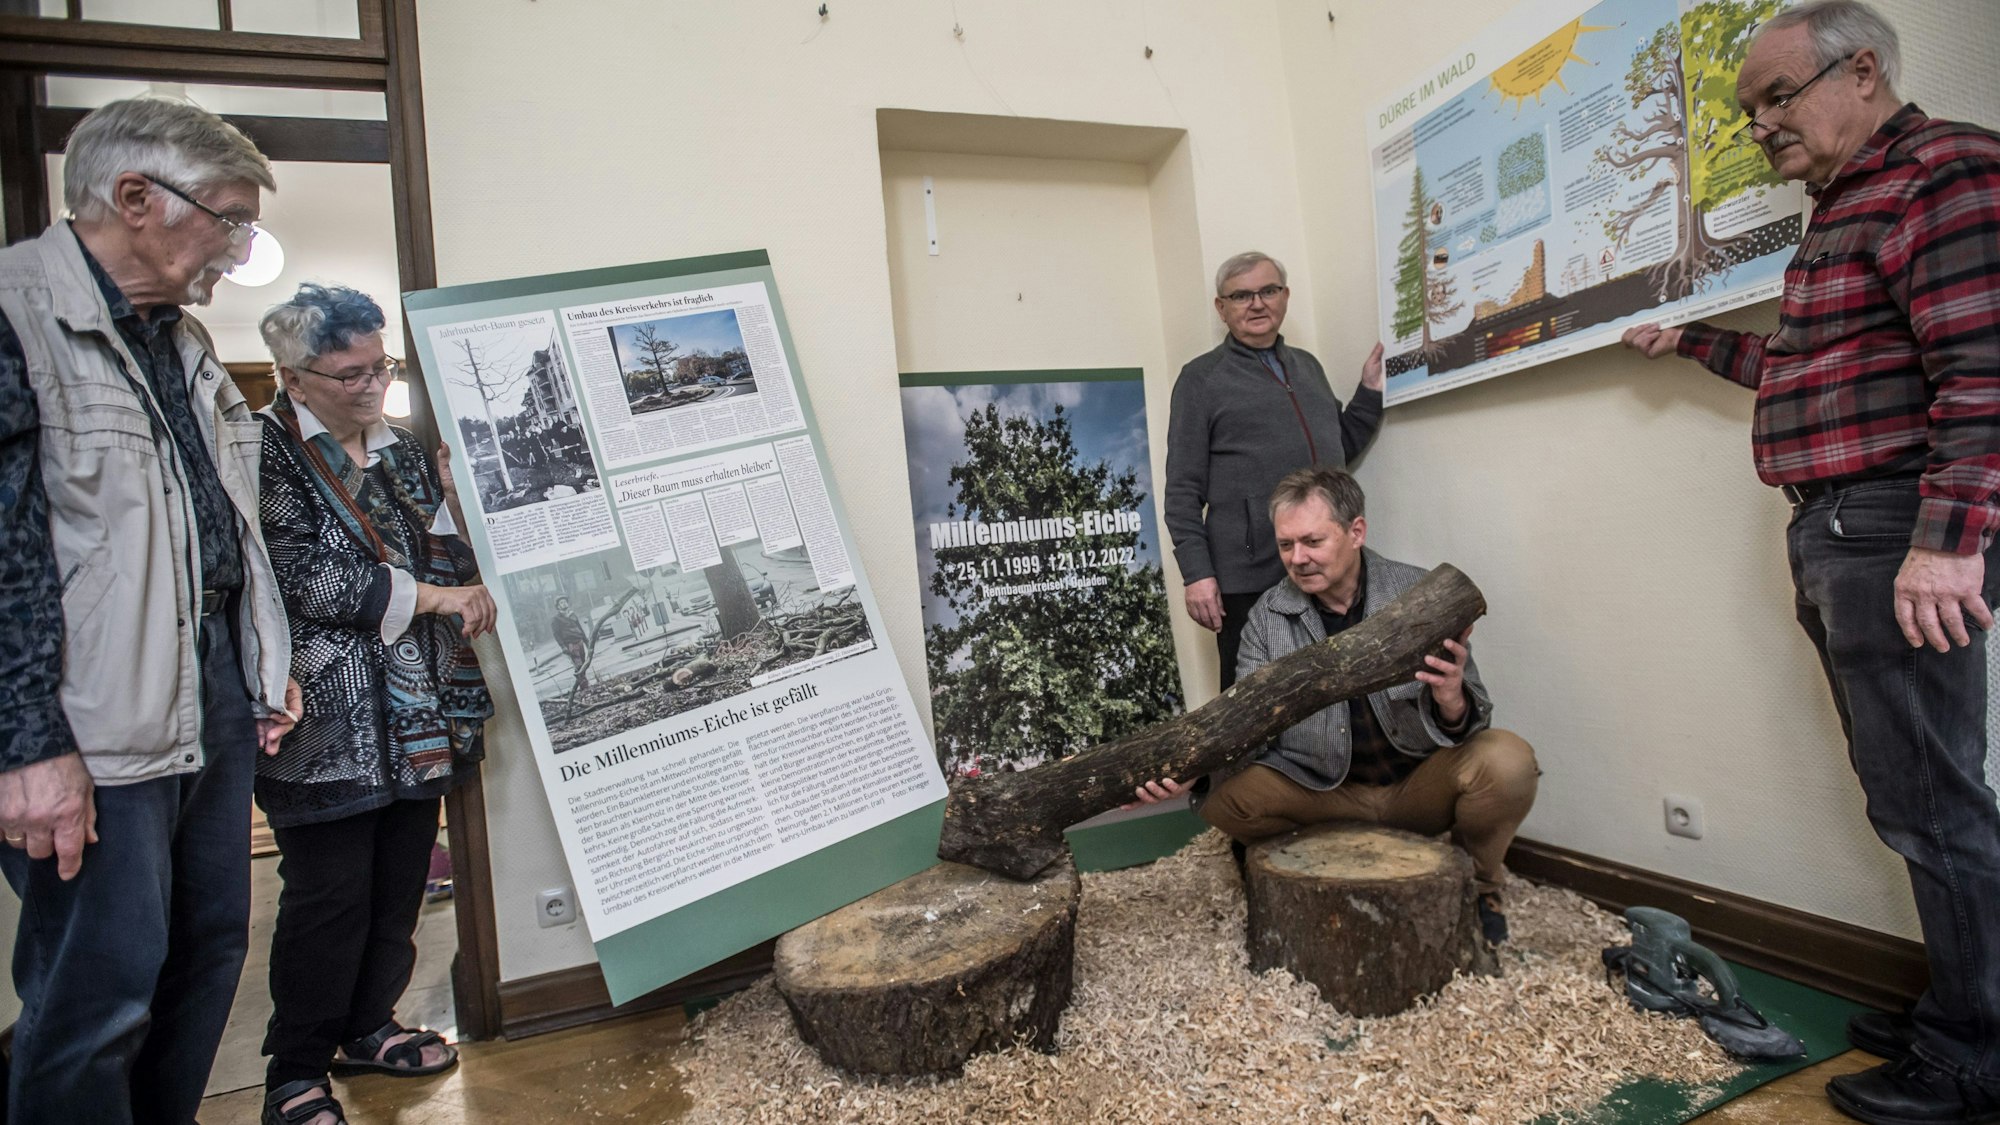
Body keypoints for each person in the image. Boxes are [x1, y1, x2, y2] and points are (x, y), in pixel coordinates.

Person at [1619, 4, 2000, 1120]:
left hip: (1894, 534)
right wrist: (1684, 340)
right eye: (1748, 112)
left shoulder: (1940, 174)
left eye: (1774, 98)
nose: (1761, 127)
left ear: (1862, 71)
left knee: (1932, 808)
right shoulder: (1841, 210)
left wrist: (1942, 549)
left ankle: (1973, 1056)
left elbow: (1981, 374)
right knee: (1910, 798)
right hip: (1837, 530)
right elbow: (1802, 372)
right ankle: (1956, 1007)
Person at [0, 97, 298, 1124]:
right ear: (135, 198)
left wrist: (257, 662)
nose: (238, 248)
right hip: (87, 723)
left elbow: (214, 526)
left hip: (200, 689)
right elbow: (8, 556)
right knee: (98, 994)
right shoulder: (14, 315)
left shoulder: (179, 338)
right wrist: (26, 745)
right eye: (228, 218)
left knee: (205, 954)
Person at [255, 284, 496, 1125]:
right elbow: (299, 576)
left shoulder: (399, 448)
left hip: (415, 715)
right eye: (350, 374)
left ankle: (368, 1026)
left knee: (399, 882)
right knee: (328, 897)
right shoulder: (265, 452)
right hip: (323, 718)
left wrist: (462, 513)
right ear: (294, 375)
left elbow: (443, 544)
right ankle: (294, 1070)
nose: (370, 386)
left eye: (379, 367)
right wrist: (432, 597)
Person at [1132, 468, 1538, 943]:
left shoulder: (1418, 593)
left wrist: (1451, 700)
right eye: (1286, 545)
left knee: (1509, 761)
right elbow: (1248, 727)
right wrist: (1192, 771)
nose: (1297, 559)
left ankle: (1481, 886)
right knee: (1227, 800)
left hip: (1416, 788)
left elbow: (1475, 719)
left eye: (1312, 541)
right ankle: (1330, 864)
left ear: (1356, 532)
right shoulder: (1267, 617)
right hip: (1326, 795)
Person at [1164, 250, 1387, 690]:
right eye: (1241, 295)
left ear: (1285, 296)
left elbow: (1337, 450)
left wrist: (1369, 392)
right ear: (1221, 307)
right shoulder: (1200, 379)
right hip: (1247, 578)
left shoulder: (1309, 367)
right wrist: (1198, 575)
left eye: (1268, 291)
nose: (1257, 304)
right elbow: (1182, 491)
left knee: (1331, 693)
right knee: (1251, 702)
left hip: (1326, 566)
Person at [552, 595, 591, 691]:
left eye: (565, 601)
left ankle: (583, 684)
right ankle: (584, 686)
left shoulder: (572, 615)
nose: (564, 604)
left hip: (580, 641)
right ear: (558, 606)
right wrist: (563, 647)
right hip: (570, 644)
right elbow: (556, 635)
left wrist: (586, 640)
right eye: (561, 603)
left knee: (584, 663)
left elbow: (579, 627)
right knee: (578, 664)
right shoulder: (556, 619)